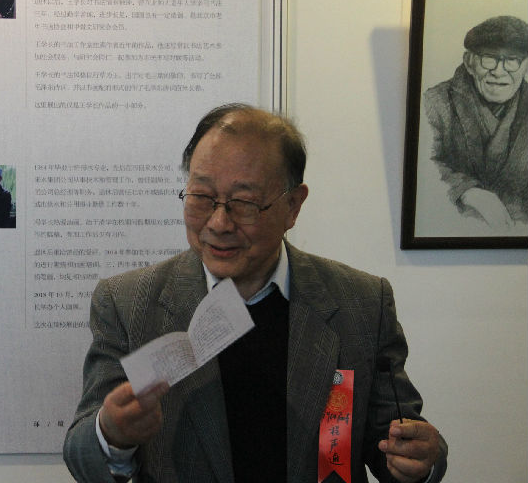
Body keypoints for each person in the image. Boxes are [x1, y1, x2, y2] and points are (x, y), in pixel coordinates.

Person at [63, 104, 447, 483]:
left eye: (244, 203)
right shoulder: (128, 303)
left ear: (293, 206)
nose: (218, 223)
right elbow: (82, 453)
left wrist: (419, 461)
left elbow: (395, 436)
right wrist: (111, 434)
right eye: (202, 197)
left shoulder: (360, 303)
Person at [423, 15, 527, 228]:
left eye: (511, 60)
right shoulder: (434, 103)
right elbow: (422, 167)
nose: (498, 71)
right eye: (488, 58)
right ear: (469, 62)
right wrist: (464, 191)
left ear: (526, 65)